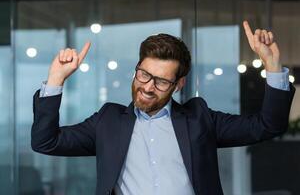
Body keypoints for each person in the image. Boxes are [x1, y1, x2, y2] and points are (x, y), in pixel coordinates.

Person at [31, 21, 295, 195]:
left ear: (178, 84)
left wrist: (272, 65)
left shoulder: (199, 118)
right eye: (143, 74)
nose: (147, 87)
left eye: (161, 81)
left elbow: (267, 126)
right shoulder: (108, 121)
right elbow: (46, 142)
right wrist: (56, 79)